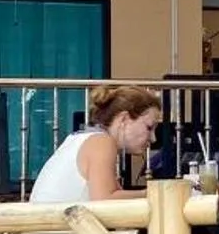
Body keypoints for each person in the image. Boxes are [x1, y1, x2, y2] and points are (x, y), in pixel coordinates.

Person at [29, 85, 162, 203]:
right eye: (149, 127)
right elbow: (104, 200)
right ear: (124, 119)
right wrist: (153, 194)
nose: (153, 138)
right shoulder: (101, 142)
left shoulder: (82, 138)